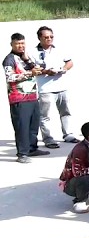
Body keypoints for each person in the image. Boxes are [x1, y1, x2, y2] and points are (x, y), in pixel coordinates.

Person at [4, 32, 51, 163]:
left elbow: (37, 69)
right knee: (22, 126)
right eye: (18, 43)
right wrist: (30, 74)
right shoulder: (9, 59)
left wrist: (27, 59)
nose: (21, 46)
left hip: (32, 96)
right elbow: (10, 77)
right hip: (18, 98)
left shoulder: (24, 56)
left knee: (33, 125)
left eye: (22, 43)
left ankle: (32, 148)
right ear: (12, 44)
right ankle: (22, 154)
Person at [35, 25, 77, 148]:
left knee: (65, 112)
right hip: (45, 89)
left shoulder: (60, 49)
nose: (49, 39)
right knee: (45, 116)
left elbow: (70, 62)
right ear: (40, 38)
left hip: (62, 86)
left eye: (51, 37)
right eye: (46, 37)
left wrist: (63, 69)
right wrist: (46, 71)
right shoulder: (33, 52)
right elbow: (33, 69)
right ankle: (48, 138)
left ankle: (68, 134)